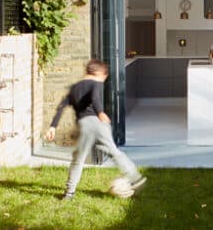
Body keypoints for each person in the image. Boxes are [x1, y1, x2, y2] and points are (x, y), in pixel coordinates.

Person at [44, 59, 146, 200]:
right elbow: (95, 97)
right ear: (97, 72)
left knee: (78, 160)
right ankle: (135, 177)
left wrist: (53, 127)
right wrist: (100, 112)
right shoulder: (95, 83)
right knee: (114, 152)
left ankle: (69, 193)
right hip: (97, 123)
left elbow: (61, 107)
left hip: (84, 126)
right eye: (104, 76)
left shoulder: (74, 88)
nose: (103, 80)